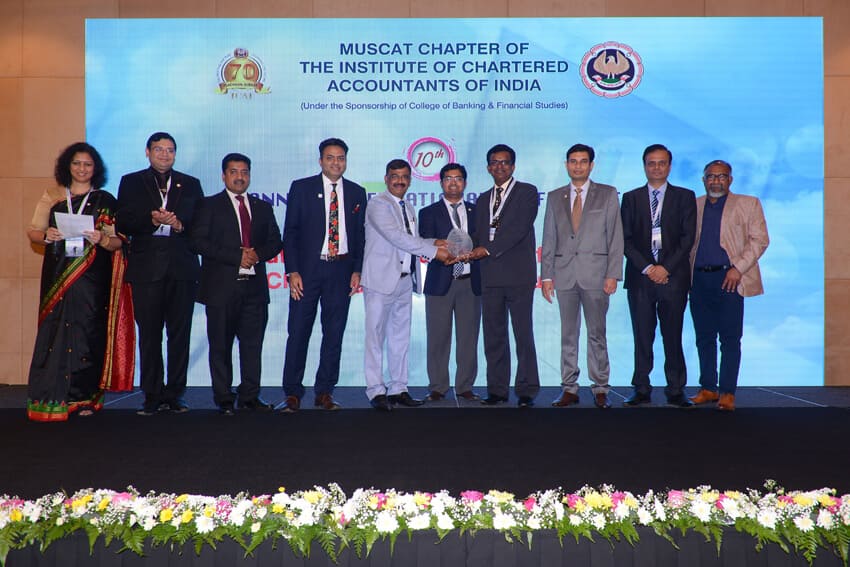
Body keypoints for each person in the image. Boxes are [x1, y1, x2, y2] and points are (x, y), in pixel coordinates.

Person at [25, 142, 134, 421]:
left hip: (92, 278)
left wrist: (102, 239)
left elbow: (119, 241)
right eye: (76, 163)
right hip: (58, 275)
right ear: (67, 166)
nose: (82, 169)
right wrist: (46, 236)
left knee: (88, 333)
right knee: (54, 332)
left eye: (87, 164)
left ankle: (85, 397)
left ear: (95, 169)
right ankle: (50, 396)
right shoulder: (52, 195)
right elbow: (34, 231)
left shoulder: (105, 200)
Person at [116, 132, 204, 415]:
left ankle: (176, 394)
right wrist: (150, 219)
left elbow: (202, 226)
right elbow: (123, 222)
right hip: (147, 270)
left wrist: (180, 225)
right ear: (147, 152)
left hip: (182, 269)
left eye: (170, 150)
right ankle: (152, 395)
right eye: (159, 149)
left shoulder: (190, 184)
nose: (165, 154)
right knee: (150, 336)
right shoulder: (131, 182)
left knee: (180, 335)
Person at [191, 153, 282, 415]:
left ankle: (250, 396)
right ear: (223, 176)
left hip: (254, 290)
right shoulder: (209, 205)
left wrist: (258, 255)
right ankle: (224, 398)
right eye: (234, 172)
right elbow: (198, 241)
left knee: (252, 346)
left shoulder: (262, 207)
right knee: (220, 346)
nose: (239, 177)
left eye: (244, 172)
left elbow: (276, 241)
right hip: (220, 289)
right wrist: (236, 256)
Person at [280, 138, 367, 412]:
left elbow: (360, 236)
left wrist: (357, 269)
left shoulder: (357, 192)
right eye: (330, 157)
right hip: (307, 271)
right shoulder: (302, 188)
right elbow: (290, 232)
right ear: (320, 161)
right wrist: (292, 270)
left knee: (334, 333)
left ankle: (325, 391)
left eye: (341, 158)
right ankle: (293, 393)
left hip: (341, 271)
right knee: (298, 331)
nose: (335, 163)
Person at [361, 159, 452, 411]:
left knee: (400, 338)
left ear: (410, 180)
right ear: (386, 179)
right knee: (375, 338)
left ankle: (398, 388)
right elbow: (396, 237)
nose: (399, 181)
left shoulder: (408, 206)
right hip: (380, 282)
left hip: (403, 281)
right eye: (395, 176)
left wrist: (435, 242)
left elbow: (413, 239)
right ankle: (375, 390)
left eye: (404, 177)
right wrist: (434, 252)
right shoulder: (378, 204)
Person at [541, 144, 623, 409]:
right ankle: (569, 388)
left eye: (583, 161)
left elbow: (615, 237)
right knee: (568, 334)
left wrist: (613, 274)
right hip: (564, 275)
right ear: (566, 165)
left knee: (597, 334)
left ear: (591, 165)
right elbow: (549, 238)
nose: (578, 166)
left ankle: (600, 387)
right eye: (573, 161)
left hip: (597, 276)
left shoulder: (607, 194)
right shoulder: (555, 197)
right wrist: (546, 276)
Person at [688, 160, 769, 411]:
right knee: (704, 337)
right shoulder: (694, 205)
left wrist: (738, 268)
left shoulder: (748, 203)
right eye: (711, 176)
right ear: (703, 180)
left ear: (730, 180)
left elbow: (760, 240)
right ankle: (708, 388)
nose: (716, 181)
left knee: (730, 338)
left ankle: (727, 392)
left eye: (721, 176)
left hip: (730, 278)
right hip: (698, 279)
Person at [621, 144, 696, 408]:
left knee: (672, 334)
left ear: (669, 166)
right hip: (640, 278)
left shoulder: (685, 197)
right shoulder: (630, 198)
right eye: (651, 163)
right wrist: (649, 268)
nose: (656, 167)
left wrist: (665, 268)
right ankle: (641, 387)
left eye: (662, 163)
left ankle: (675, 389)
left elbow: (688, 238)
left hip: (674, 278)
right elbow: (625, 239)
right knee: (642, 335)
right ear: (644, 166)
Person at [465, 144, 540, 407]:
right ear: (488, 168)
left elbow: (518, 229)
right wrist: (460, 248)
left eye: (505, 162)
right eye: (494, 162)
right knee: (494, 336)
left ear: (513, 166)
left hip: (519, 275)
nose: (500, 166)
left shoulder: (527, 192)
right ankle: (497, 390)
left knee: (523, 335)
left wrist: (487, 249)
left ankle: (526, 390)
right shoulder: (483, 199)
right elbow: (477, 235)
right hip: (490, 276)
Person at [418, 163, 482, 402]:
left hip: (470, 281)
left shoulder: (477, 211)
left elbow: (483, 241)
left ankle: (465, 385)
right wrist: (440, 245)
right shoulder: (428, 212)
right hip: (440, 282)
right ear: (441, 182)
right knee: (437, 337)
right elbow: (424, 241)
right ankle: (438, 386)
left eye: (458, 178)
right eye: (448, 178)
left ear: (465, 182)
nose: (453, 183)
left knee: (468, 337)